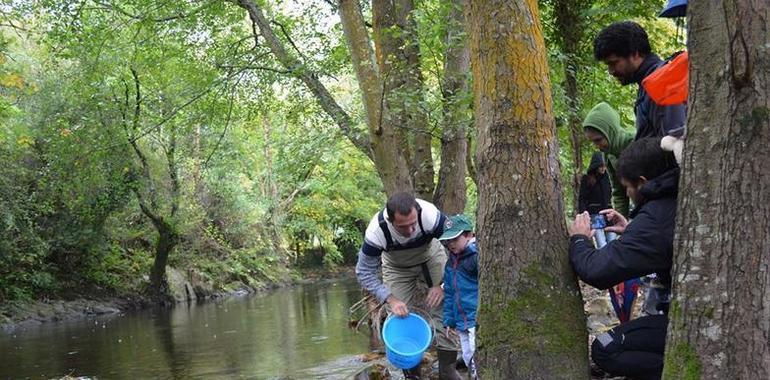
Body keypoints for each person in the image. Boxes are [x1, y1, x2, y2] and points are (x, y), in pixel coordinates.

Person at [568, 137, 679, 380]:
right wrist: (632, 230)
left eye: (627, 187)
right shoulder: (675, 201)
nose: (627, 194)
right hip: (682, 315)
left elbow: (597, 271)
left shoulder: (655, 219)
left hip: (689, 325)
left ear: (642, 183)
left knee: (606, 347)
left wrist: (579, 239)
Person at [355, 192, 461, 379]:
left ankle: (447, 369)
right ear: (390, 220)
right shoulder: (376, 232)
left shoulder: (431, 216)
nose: (410, 230)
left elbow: (458, 249)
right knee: (399, 316)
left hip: (431, 257)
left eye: (413, 224)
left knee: (445, 312)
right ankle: (412, 373)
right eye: (403, 227)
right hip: (396, 267)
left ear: (418, 212)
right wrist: (390, 299)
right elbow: (363, 272)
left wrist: (443, 285)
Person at [593, 21, 687, 139]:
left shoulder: (663, 82)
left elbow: (676, 141)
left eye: (614, 63)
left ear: (635, 54)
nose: (611, 71)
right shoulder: (647, 84)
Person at [439, 214, 479, 380]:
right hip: (460, 319)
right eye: (447, 241)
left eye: (455, 239)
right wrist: (449, 320)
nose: (450, 244)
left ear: (469, 235)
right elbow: (449, 292)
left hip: (474, 318)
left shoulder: (476, 257)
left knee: (477, 355)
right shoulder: (450, 262)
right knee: (468, 355)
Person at [583, 102, 635, 217]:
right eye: (592, 142)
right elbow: (619, 192)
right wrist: (621, 219)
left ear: (609, 132)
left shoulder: (635, 142)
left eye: (598, 140)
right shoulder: (608, 155)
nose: (596, 146)